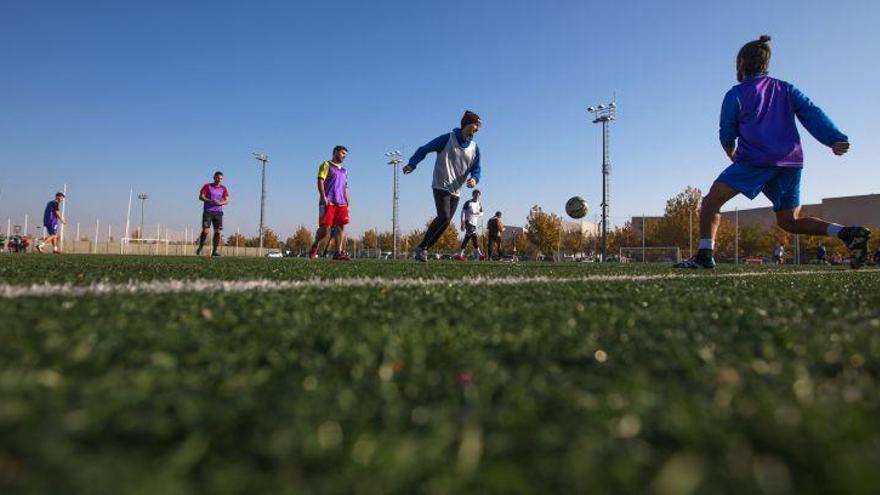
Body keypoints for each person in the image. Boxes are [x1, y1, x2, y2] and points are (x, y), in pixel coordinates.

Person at [675, 35, 870, 270]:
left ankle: (705, 255)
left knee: (709, 203)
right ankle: (847, 233)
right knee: (790, 222)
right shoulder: (786, 88)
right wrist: (834, 138)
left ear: (741, 63)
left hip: (755, 161)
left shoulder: (736, 94)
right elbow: (811, 112)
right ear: (765, 65)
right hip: (791, 163)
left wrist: (732, 154)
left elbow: (726, 133)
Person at [403, 110, 482, 262]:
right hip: (441, 184)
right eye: (475, 125)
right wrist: (412, 164)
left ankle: (422, 248)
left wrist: (474, 179)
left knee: (445, 222)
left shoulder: (474, 148)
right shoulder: (448, 138)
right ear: (467, 123)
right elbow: (424, 149)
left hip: (456, 190)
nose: (477, 129)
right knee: (444, 216)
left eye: (479, 126)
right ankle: (422, 248)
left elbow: (477, 169)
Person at [309, 145, 351, 260]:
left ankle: (338, 252)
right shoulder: (326, 165)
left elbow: (345, 187)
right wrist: (323, 196)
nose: (344, 156)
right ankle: (316, 244)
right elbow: (320, 180)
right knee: (325, 229)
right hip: (328, 201)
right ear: (335, 152)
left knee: (341, 226)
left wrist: (348, 202)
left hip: (341, 202)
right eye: (342, 153)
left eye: (345, 155)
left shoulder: (344, 171)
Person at [196, 171, 229, 257]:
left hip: (218, 212)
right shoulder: (207, 186)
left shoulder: (223, 188)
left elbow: (227, 200)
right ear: (214, 178)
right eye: (218, 178)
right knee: (205, 230)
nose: (219, 180)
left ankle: (214, 251)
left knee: (218, 231)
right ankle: (200, 247)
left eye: (221, 179)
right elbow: (201, 197)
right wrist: (210, 201)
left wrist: (220, 203)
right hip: (208, 211)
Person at [455, 189, 483, 260]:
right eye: (475, 194)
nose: (477, 196)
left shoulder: (479, 204)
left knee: (472, 238)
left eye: (478, 195)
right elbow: (463, 213)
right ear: (473, 195)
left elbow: (482, 213)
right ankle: (478, 254)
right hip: (468, 222)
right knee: (472, 238)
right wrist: (462, 222)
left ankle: (460, 254)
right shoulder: (468, 202)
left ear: (479, 196)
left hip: (474, 224)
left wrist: (478, 214)